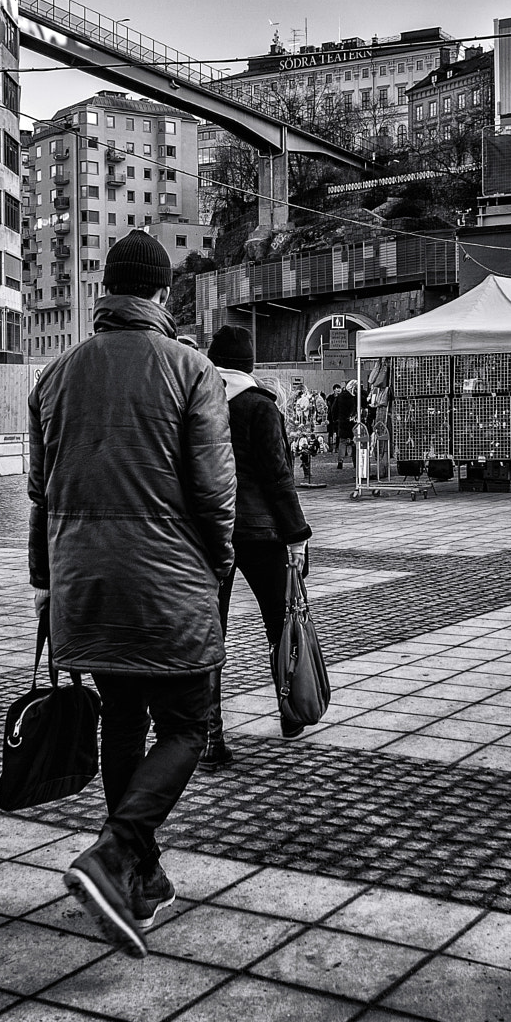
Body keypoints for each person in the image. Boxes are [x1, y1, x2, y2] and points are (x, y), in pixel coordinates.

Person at [29, 230, 235, 958]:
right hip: (167, 579)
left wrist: (46, 586)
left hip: (84, 582)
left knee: (121, 715)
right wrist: (218, 566)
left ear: (105, 290)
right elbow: (214, 496)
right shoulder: (191, 370)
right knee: (186, 725)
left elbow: (39, 497)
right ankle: (115, 851)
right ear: (163, 293)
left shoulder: (53, 376)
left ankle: (138, 879)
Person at [200, 324, 314, 768]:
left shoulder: (199, 402)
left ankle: (210, 739)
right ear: (249, 364)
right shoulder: (259, 406)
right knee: (280, 624)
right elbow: (278, 475)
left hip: (211, 533)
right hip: (263, 533)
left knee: (212, 634)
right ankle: (291, 712)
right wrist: (297, 534)